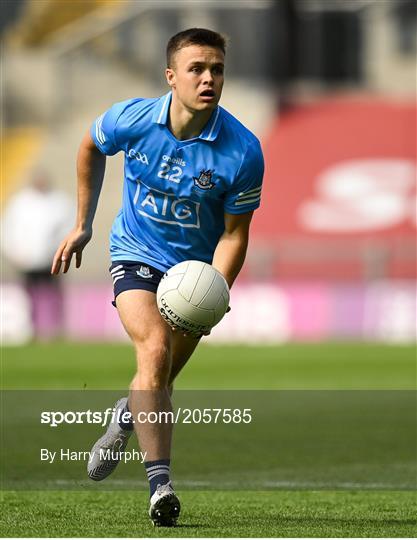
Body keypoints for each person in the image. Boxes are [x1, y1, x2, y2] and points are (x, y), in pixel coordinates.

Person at [51, 28, 264, 527]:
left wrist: (218, 287)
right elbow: (90, 146)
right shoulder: (132, 118)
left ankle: (124, 417)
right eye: (197, 69)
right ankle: (160, 486)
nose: (208, 78)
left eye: (217, 69)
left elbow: (235, 233)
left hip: (194, 275)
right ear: (171, 77)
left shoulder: (243, 152)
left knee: (161, 376)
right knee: (153, 351)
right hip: (136, 252)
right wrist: (83, 225)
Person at [2, 170, 74, 340]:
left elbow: (69, 228)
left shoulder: (60, 202)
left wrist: (61, 251)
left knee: (55, 295)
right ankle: (31, 329)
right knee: (29, 296)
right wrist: (14, 252)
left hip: (52, 258)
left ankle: (57, 329)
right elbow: (7, 230)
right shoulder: (20, 203)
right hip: (27, 260)